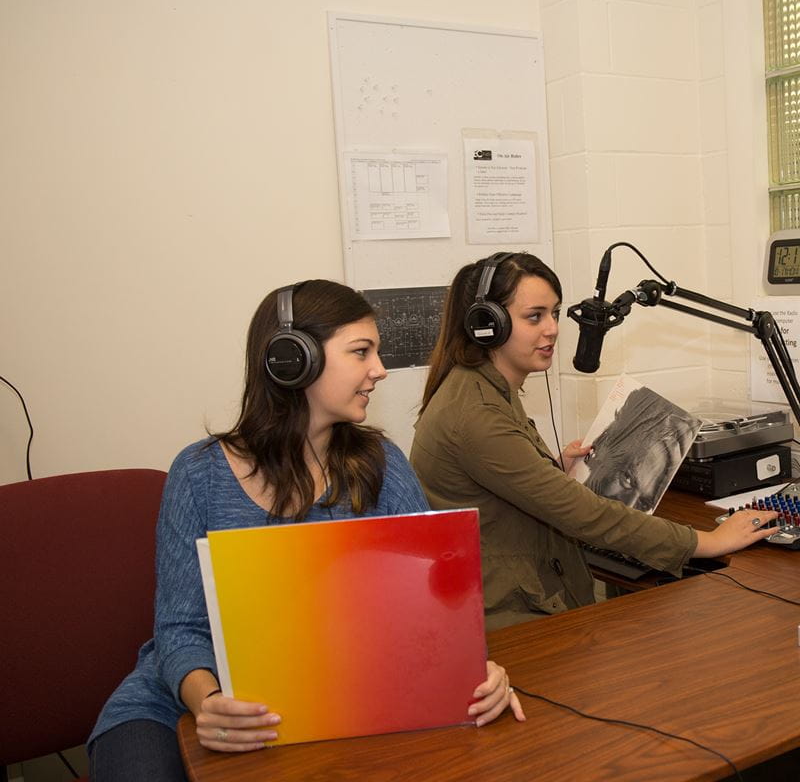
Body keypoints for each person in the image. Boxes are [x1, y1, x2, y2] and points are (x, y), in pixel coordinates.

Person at [88, 280, 524, 782]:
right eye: (361, 352)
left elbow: (438, 605)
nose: (379, 370)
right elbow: (179, 628)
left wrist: (476, 670)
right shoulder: (198, 474)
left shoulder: (382, 465)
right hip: (178, 702)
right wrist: (208, 702)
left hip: (336, 696)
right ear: (292, 360)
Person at [410, 252, 779, 631]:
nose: (552, 328)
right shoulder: (477, 413)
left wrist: (550, 470)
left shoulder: (478, 388)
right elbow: (586, 515)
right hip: (507, 621)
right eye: (534, 316)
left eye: (554, 313)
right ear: (489, 324)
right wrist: (708, 541)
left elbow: (495, 492)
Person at [579, 385, 701, 513]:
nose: (629, 507)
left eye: (644, 503)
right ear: (602, 442)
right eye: (627, 478)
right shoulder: (560, 498)